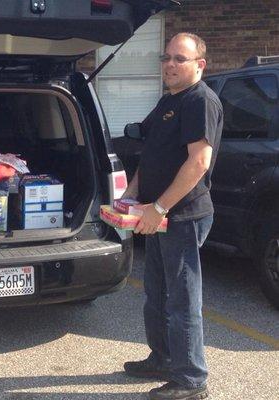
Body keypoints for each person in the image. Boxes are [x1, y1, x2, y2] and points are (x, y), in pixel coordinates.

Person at [121, 33, 223, 400]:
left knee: (181, 300)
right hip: (157, 215)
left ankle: (191, 380)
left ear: (200, 64)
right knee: (157, 294)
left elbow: (199, 161)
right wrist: (132, 193)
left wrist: (160, 207)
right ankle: (162, 358)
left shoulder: (199, 101)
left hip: (182, 215)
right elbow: (151, 152)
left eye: (180, 58)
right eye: (166, 57)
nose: (170, 64)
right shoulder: (169, 100)